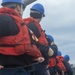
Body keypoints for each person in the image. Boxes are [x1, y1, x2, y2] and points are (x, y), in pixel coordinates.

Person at [0, 0, 44, 75]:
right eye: (22, 8)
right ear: (18, 7)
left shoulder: (14, 22)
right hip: (10, 70)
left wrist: (33, 58)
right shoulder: (4, 20)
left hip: (21, 69)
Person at [23, 3, 58, 75]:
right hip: (38, 64)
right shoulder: (34, 27)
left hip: (30, 63)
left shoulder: (26, 25)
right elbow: (32, 43)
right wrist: (48, 49)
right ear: (41, 16)